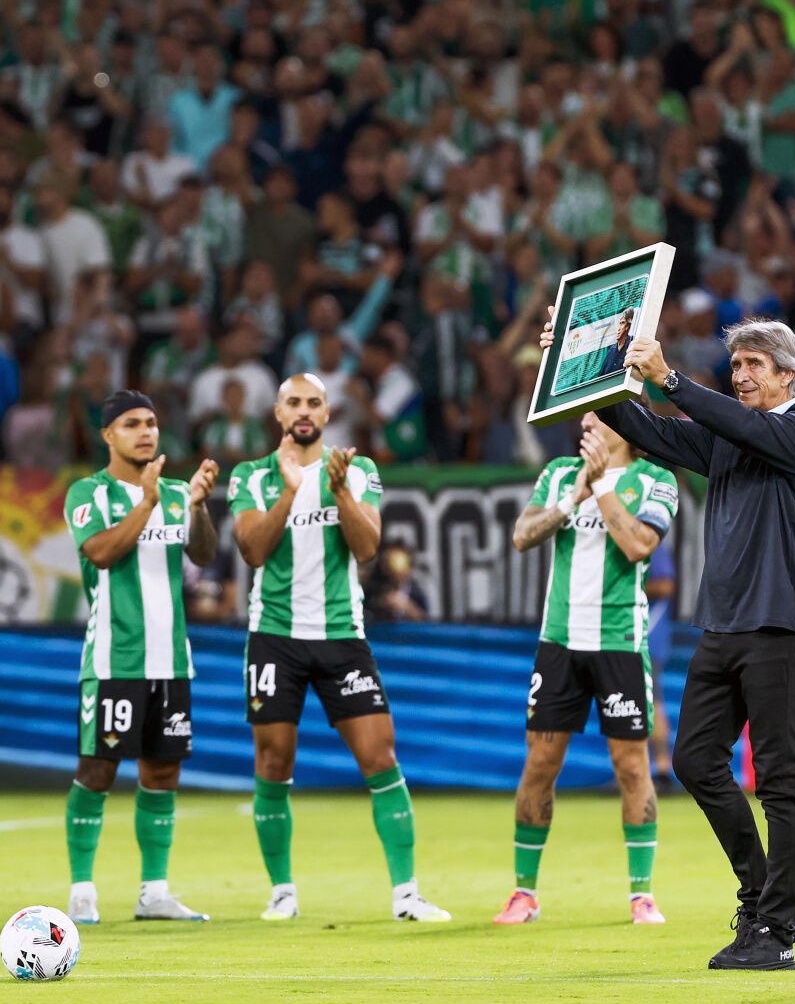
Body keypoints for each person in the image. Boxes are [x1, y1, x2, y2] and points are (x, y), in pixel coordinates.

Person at [541, 311, 795, 971]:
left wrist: (670, 377)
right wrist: (577, 367)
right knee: (696, 759)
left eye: (753, 364)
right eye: (735, 366)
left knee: (780, 778)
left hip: (780, 624)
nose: (740, 375)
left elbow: (737, 424)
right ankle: (758, 894)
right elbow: (640, 423)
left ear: (787, 373)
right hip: (723, 623)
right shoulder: (730, 434)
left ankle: (778, 928)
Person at [229, 374, 450, 923]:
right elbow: (253, 549)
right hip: (275, 637)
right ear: (278, 413)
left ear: (328, 414)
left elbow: (369, 545)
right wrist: (288, 489)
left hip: (342, 637)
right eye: (293, 403)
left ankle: (406, 895)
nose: (304, 412)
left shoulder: (357, 470)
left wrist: (341, 492)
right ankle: (282, 891)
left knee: (380, 757)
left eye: (314, 403)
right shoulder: (251, 477)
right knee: (273, 762)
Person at [497, 413, 679, 927]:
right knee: (540, 764)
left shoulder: (656, 481)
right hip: (559, 642)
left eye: (602, 414)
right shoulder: (558, 473)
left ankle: (641, 895)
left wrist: (600, 484)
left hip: (619, 644)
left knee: (631, 766)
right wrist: (571, 496)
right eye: (587, 414)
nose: (588, 421)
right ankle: (523, 893)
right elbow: (522, 534)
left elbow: (639, 545)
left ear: (628, 422)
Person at [63, 390, 221, 925]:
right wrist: (147, 502)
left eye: (151, 422)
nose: (146, 432)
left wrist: (196, 508)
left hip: (171, 660)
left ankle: (154, 891)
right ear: (108, 435)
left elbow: (202, 554)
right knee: (98, 769)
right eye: (131, 424)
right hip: (115, 659)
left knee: (162, 772)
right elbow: (102, 553)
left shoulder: (177, 493)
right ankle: (82, 889)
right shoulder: (88, 492)